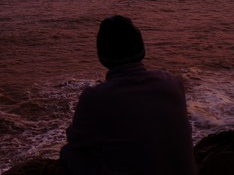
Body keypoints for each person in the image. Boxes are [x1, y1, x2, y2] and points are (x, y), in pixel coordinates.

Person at [59, 15, 197, 175]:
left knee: (68, 153)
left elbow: (76, 140)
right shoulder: (173, 82)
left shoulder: (96, 97)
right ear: (141, 49)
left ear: (102, 56)